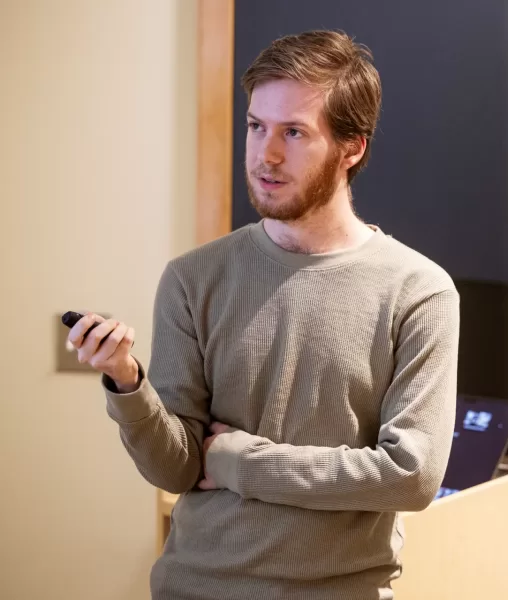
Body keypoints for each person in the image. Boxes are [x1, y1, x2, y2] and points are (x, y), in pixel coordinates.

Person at [67, 30, 460, 600]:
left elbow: (413, 475)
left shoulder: (419, 292)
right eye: (257, 126)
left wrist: (242, 463)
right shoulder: (192, 278)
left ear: (352, 148)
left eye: (294, 132)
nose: (266, 154)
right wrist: (127, 383)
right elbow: (175, 469)